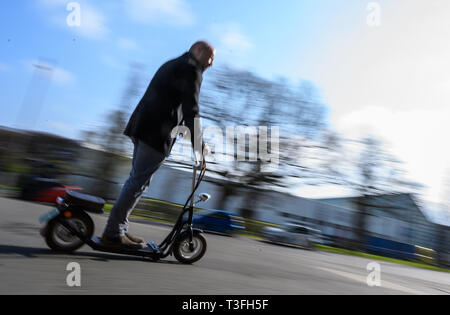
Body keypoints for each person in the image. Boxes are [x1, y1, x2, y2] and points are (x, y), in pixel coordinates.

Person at [101, 41, 215, 249]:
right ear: (198, 51)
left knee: (137, 182)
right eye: (210, 58)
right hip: (155, 133)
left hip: (142, 127)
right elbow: (191, 109)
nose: (211, 64)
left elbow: (170, 102)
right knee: (137, 183)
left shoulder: (174, 63)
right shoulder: (192, 69)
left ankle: (119, 228)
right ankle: (113, 233)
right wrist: (199, 144)